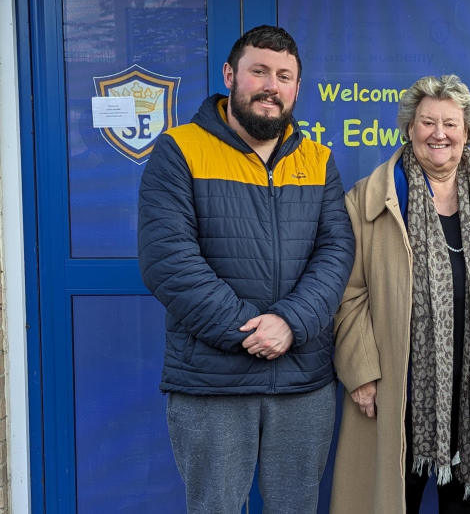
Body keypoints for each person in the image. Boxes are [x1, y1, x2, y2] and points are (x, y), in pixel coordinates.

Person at [137, 25, 355, 514]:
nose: (271, 86)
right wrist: (252, 331)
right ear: (230, 75)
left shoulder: (318, 158)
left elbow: (337, 250)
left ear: (297, 88)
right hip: (213, 383)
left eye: (284, 76)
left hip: (303, 379)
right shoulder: (180, 149)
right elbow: (167, 259)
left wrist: (290, 324)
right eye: (259, 72)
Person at [330, 75, 470, 514]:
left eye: (450, 123)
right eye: (427, 122)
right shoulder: (371, 197)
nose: (438, 134)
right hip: (398, 386)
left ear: (468, 132)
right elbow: (348, 294)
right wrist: (360, 370)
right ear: (409, 128)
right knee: (391, 500)